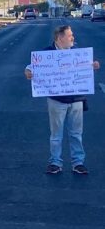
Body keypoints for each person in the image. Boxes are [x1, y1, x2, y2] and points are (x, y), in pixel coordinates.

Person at [24, 25, 100, 174]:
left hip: (76, 99)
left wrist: (94, 65)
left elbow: (89, 66)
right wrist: (28, 71)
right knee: (56, 134)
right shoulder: (47, 54)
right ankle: (55, 163)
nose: (73, 38)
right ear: (60, 38)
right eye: (70, 35)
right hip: (56, 100)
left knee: (76, 133)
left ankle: (78, 162)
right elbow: (31, 67)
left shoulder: (78, 53)